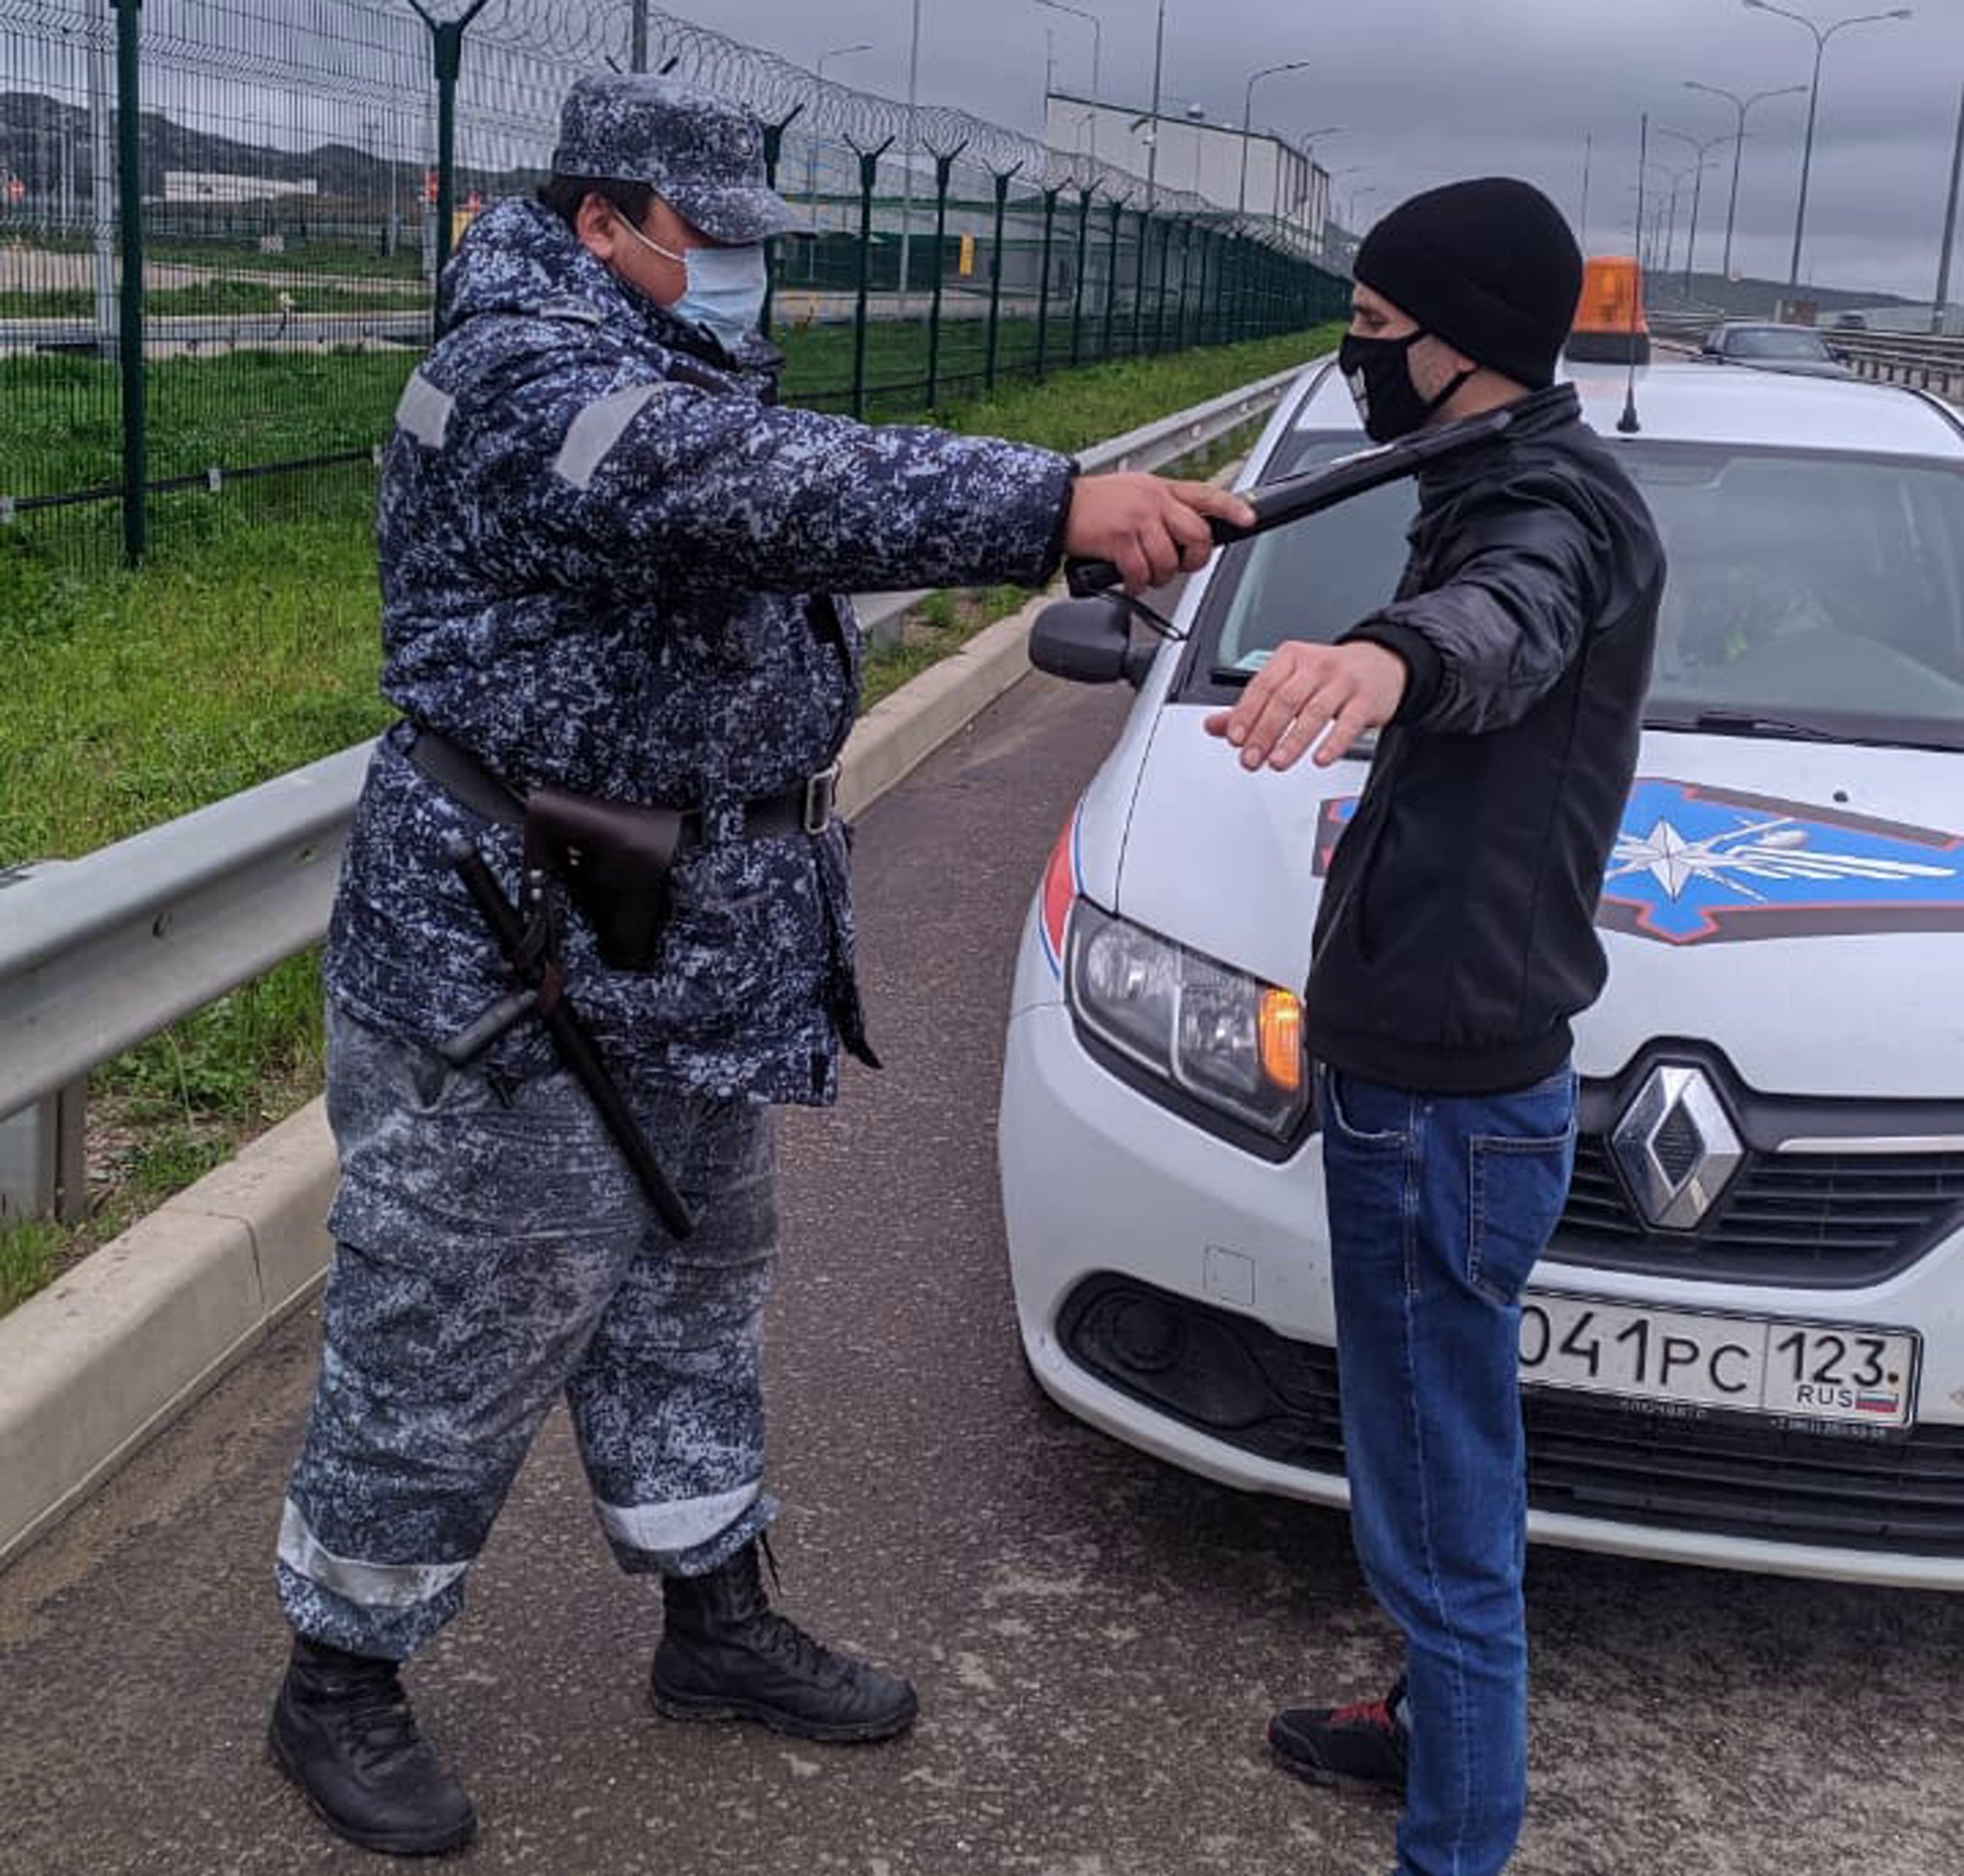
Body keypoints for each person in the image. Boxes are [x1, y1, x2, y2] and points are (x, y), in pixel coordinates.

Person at [267, 72, 1252, 1858]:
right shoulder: (531, 379)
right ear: (603, 223)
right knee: (451, 1328)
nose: (742, 273)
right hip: (515, 958)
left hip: (682, 951)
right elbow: (732, 488)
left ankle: (711, 1622)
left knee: (689, 1297)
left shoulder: (656, 357)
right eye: (711, 239)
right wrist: (1056, 503)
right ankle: (337, 1678)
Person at [1205, 178, 1664, 1876]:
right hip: (1444, 1069)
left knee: (1435, 1503)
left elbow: (1506, 619)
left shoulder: (1549, 509)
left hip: (1443, 1097)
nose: (1356, 354)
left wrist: (1387, 661)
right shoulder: (1483, 465)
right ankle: (1416, 1730)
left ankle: (1451, 1843)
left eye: (1373, 328)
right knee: (1428, 1446)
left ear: (1455, 344)